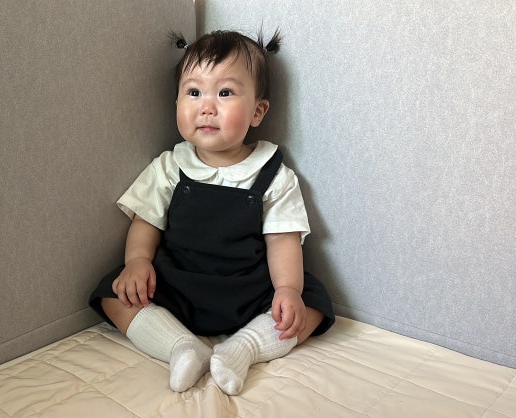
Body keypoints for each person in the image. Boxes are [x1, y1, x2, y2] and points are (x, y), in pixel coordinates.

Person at [89, 29, 334, 395]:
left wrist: (287, 289)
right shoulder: (170, 166)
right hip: (178, 282)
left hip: (249, 287)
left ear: (258, 111)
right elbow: (145, 222)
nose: (206, 106)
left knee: (311, 302)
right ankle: (180, 347)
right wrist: (137, 262)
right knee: (113, 293)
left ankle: (245, 347)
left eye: (225, 93)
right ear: (176, 102)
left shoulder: (274, 175)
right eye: (193, 92)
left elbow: (283, 241)